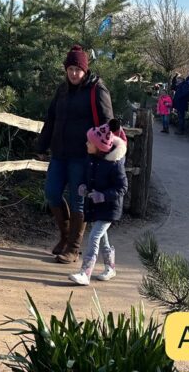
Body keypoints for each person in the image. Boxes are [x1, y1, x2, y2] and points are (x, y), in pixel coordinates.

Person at [37, 45, 114, 265]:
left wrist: (101, 153)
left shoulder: (96, 90)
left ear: (85, 70)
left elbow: (108, 124)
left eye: (77, 69)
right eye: (70, 68)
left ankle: (73, 247)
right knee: (51, 193)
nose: (73, 73)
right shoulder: (62, 90)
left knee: (78, 200)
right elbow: (52, 118)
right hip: (60, 153)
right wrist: (42, 145)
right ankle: (64, 236)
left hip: (83, 156)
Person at [69, 120, 128, 286]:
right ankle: (110, 267)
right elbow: (88, 177)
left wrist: (103, 196)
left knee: (94, 236)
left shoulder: (115, 164)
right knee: (103, 237)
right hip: (96, 206)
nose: (86, 143)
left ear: (98, 146)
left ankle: (85, 272)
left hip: (109, 207)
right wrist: (83, 185)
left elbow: (122, 188)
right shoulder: (91, 159)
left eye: (89, 141)